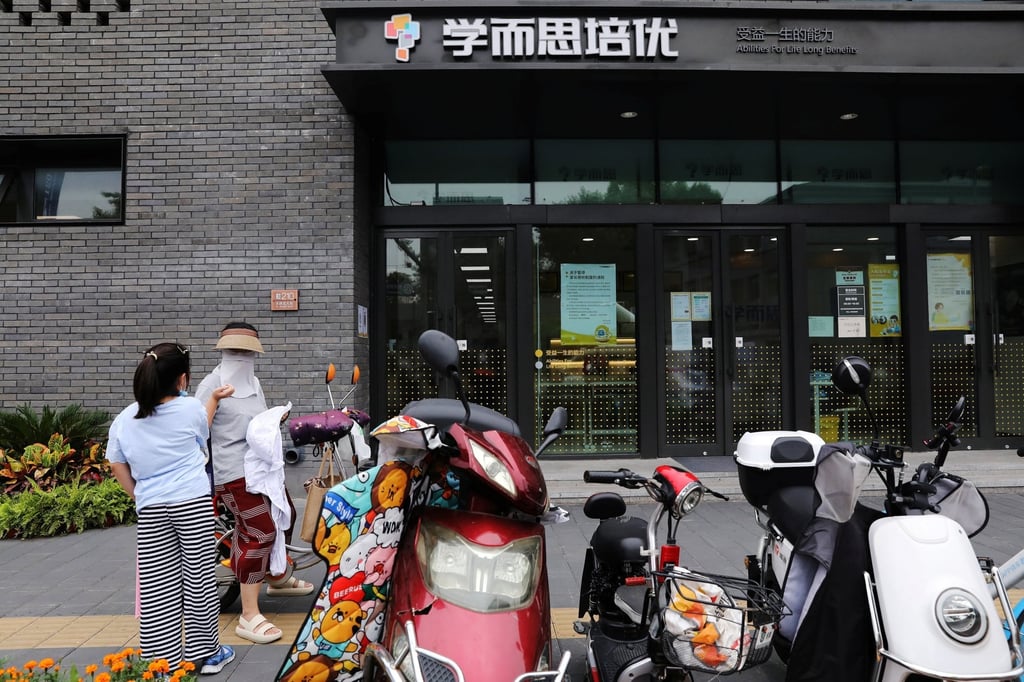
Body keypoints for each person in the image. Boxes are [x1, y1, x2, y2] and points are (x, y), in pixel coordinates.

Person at [107, 343, 235, 675]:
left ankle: (161, 666)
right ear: (182, 379)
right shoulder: (191, 408)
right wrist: (214, 401)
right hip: (190, 502)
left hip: (151, 508)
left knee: (157, 587)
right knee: (199, 577)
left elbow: (115, 461)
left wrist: (138, 495)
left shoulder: (124, 419)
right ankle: (204, 656)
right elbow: (200, 432)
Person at [196, 322, 314, 645]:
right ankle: (248, 614)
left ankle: (276, 574)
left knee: (285, 512)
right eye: (235, 350)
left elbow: (256, 421)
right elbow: (194, 431)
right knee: (260, 530)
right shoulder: (211, 385)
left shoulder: (254, 383)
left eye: (246, 351)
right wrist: (214, 402)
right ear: (223, 351)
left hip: (260, 469)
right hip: (231, 474)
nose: (241, 356)